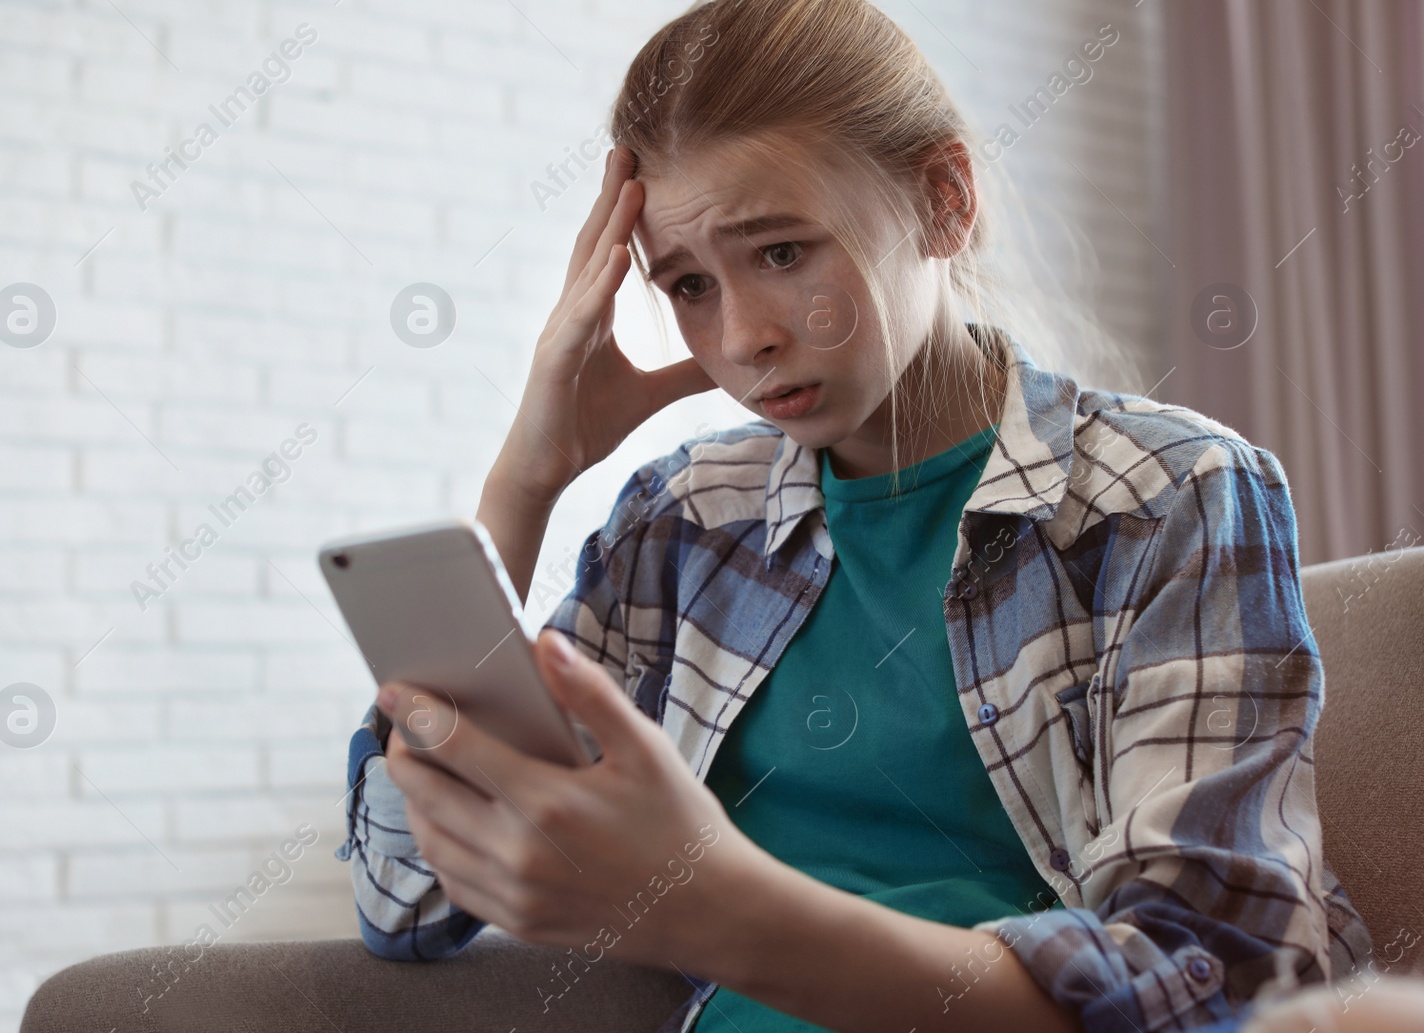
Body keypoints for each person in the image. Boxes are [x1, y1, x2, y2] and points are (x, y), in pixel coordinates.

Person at [334, 1, 1381, 1030]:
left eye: (782, 252)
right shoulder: (686, 523)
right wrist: (526, 479)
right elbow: (404, 902)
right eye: (689, 284)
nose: (743, 336)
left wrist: (722, 910)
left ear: (943, 199)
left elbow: (1203, 984)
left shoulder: (1170, 494)